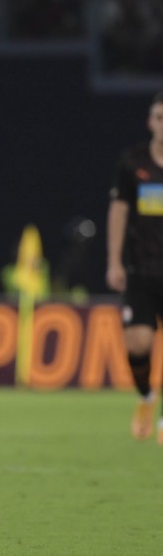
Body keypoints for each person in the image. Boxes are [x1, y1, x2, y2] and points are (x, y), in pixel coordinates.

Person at [106, 90, 163, 444]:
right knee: (138, 345)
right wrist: (114, 261)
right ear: (150, 122)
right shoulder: (133, 163)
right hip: (141, 270)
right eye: (159, 117)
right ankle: (146, 397)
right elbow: (119, 212)